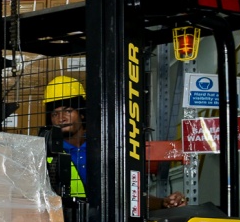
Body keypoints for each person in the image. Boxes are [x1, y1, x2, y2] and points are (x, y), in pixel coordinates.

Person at [44, 76, 187, 208]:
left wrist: (163, 202)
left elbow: (129, 196)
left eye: (68, 111)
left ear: (81, 113)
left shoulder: (105, 148)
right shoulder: (48, 155)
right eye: (55, 114)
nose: (61, 118)